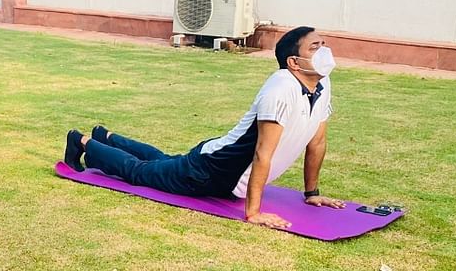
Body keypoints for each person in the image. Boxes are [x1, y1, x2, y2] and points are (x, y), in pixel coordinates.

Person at [62, 26, 346, 229]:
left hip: (212, 163)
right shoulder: (281, 87)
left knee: (164, 162)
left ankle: (106, 136)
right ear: (294, 63)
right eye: (315, 47)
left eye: (323, 44)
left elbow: (317, 141)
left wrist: (312, 194)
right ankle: (83, 142)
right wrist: (254, 213)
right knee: (141, 173)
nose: (324, 51)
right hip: (211, 171)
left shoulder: (322, 83)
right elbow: (262, 153)